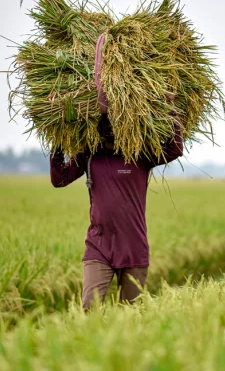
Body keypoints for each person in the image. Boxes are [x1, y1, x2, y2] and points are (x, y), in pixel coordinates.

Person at [50, 106, 183, 310]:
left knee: (130, 316)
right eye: (108, 126)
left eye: (118, 127)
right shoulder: (90, 156)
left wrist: (170, 110)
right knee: (89, 309)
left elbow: (175, 149)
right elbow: (59, 179)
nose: (112, 131)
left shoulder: (141, 155)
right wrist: (59, 136)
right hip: (99, 246)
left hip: (134, 248)